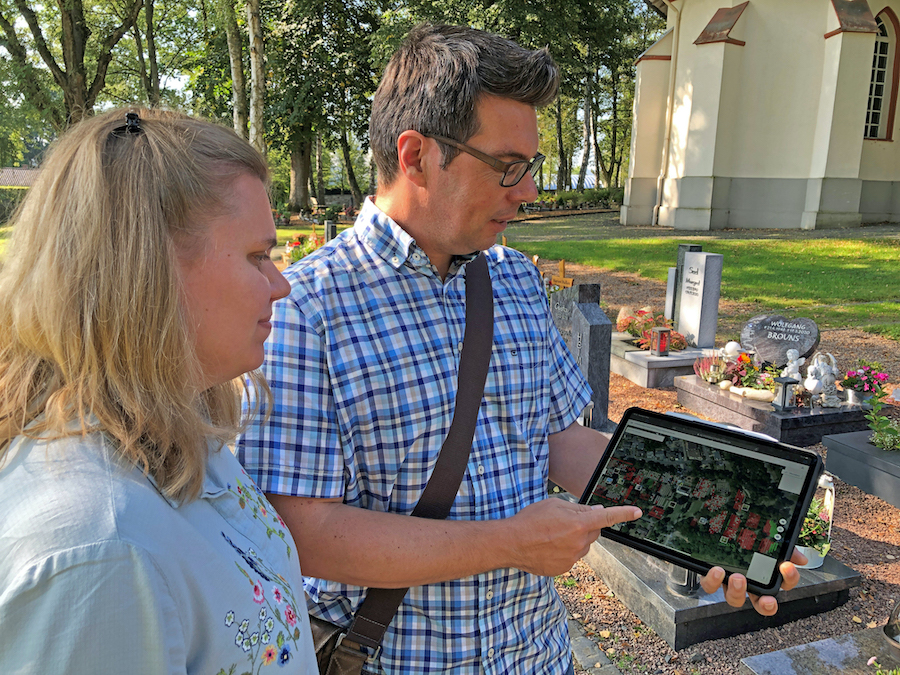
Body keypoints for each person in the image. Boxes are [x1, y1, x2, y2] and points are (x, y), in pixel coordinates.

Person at [236, 24, 803, 675]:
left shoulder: (510, 276)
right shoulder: (304, 308)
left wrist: (714, 516)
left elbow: (562, 440)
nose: (529, 190)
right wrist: (505, 544)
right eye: (508, 165)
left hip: (537, 656)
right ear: (415, 155)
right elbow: (305, 536)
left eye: (529, 166)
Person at [0, 108, 317, 674]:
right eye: (256, 256)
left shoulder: (182, 434)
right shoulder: (97, 547)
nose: (281, 283)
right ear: (150, 270)